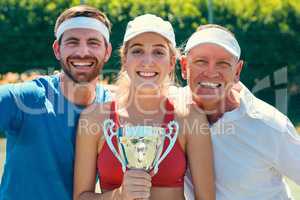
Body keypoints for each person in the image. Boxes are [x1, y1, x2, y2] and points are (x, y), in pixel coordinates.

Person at [73, 14, 215, 200]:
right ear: (125, 59)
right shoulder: (94, 118)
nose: (147, 61)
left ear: (172, 62)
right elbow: (81, 197)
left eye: (158, 52)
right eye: (138, 51)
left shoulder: (190, 117)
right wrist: (119, 195)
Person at [0, 5, 112, 200]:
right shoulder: (26, 98)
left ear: (107, 51)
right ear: (57, 49)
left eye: (93, 42)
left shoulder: (112, 108)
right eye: (72, 42)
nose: (83, 51)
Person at [181, 24, 300, 200]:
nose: (211, 72)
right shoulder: (169, 112)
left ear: (237, 71)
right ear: (184, 66)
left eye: (222, 63)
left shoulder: (270, 125)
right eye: (201, 61)